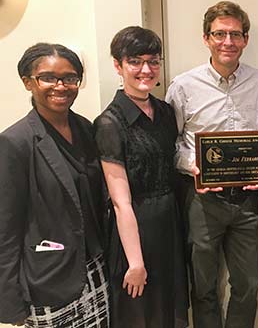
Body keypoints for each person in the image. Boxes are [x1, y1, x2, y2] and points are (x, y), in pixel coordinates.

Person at [165, 1, 258, 328]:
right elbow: (169, 142)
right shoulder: (183, 86)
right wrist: (193, 165)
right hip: (202, 199)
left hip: (247, 200)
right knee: (203, 284)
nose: (228, 41)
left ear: (246, 39)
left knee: (248, 284)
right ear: (206, 38)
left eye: (235, 34)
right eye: (220, 34)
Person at [0, 43, 110, 327]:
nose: (60, 86)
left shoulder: (87, 129)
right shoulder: (15, 142)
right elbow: (6, 229)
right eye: (48, 77)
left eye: (70, 78)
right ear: (28, 82)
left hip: (96, 269)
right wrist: (9, 302)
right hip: (49, 278)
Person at [94, 26, 188, 328]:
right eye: (135, 61)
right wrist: (135, 262)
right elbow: (121, 202)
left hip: (169, 222)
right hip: (135, 228)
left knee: (167, 307)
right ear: (118, 65)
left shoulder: (164, 111)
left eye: (153, 61)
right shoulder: (110, 123)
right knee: (139, 311)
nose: (146, 69)